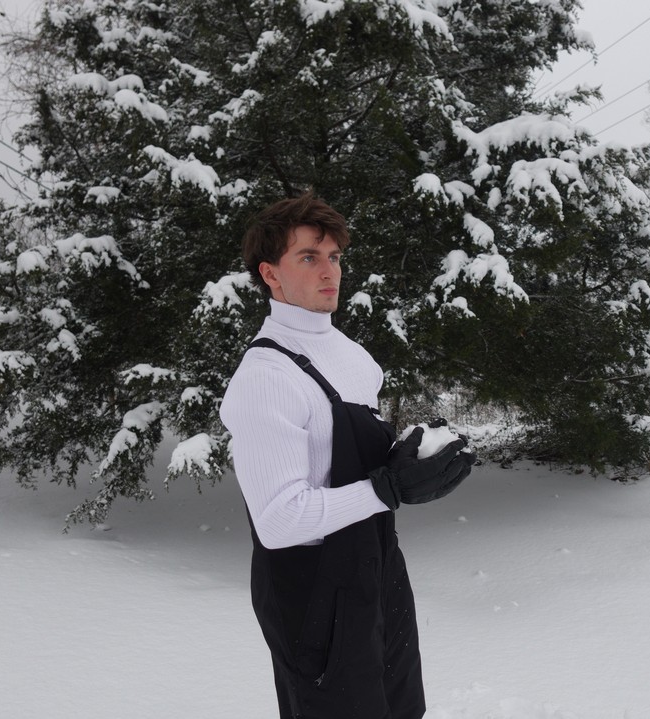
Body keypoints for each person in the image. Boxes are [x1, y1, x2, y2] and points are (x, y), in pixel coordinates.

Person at [220, 192, 475, 719]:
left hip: (378, 568)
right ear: (270, 273)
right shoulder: (266, 378)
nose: (329, 271)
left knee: (401, 709)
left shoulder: (353, 357)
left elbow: (349, 459)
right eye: (309, 257)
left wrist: (414, 462)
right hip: (312, 595)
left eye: (334, 256)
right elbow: (279, 521)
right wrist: (384, 490)